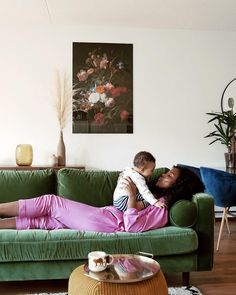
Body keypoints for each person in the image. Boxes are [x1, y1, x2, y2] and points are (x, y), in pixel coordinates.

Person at [0, 166, 204, 233]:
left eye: (169, 176)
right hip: (104, 216)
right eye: (166, 172)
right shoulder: (153, 196)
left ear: (179, 185)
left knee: (52, 203)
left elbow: (133, 226)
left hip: (108, 223)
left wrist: (132, 195)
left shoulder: (162, 208)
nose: (163, 175)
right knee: (46, 221)